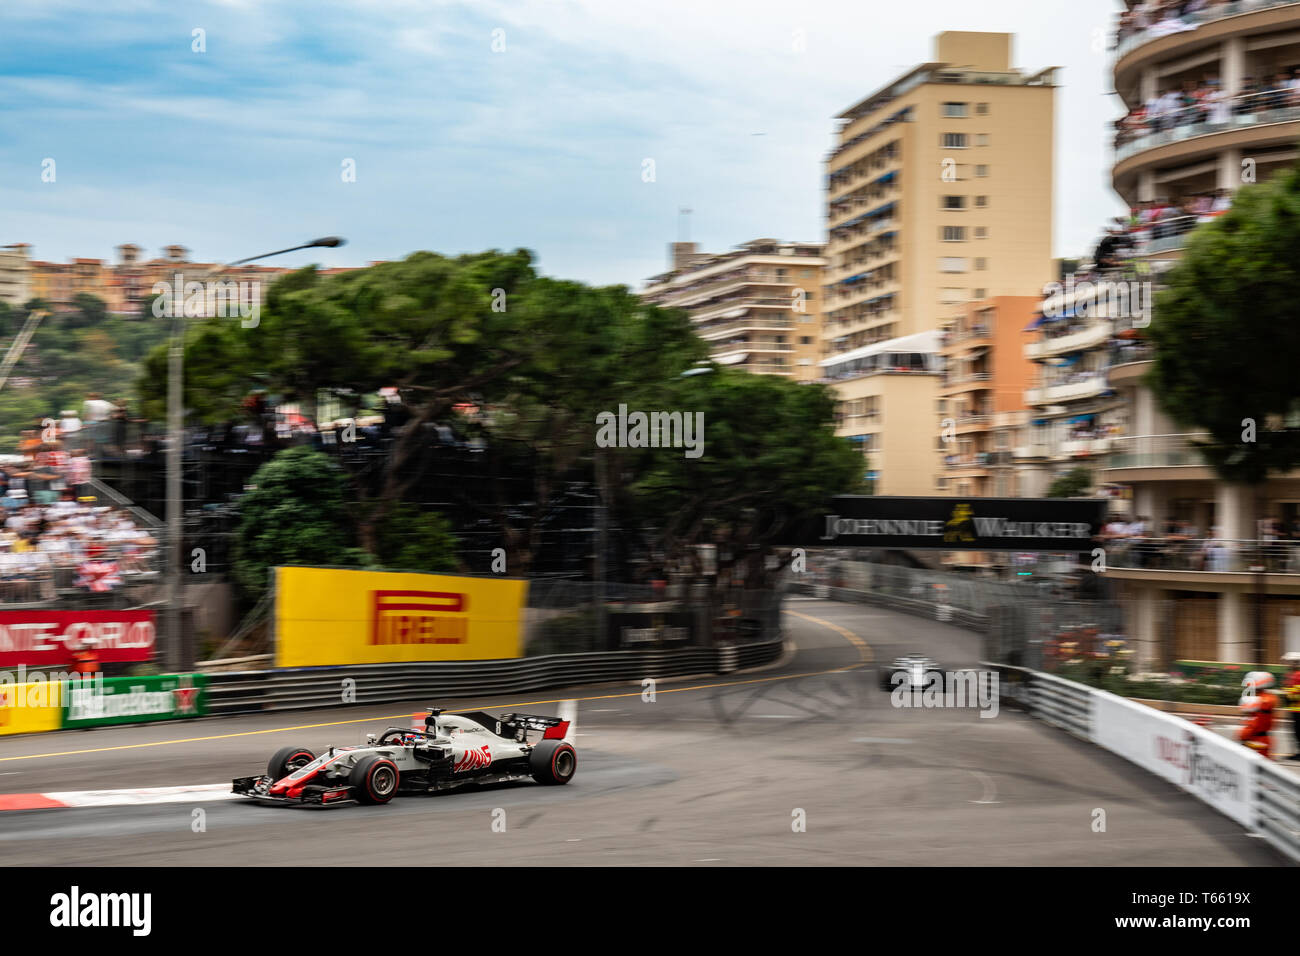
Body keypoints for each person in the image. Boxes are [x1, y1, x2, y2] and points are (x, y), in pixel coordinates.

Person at [1238, 671, 1278, 759]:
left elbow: (1254, 723)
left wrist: (1243, 735)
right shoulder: (1268, 698)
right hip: (1263, 738)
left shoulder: (1259, 701)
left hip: (1256, 739)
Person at [1283, 653, 1300, 761]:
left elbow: (1296, 692)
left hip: (1298, 709)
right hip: (1294, 708)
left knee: (1298, 732)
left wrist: (1287, 694)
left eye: (1291, 662)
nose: (1289, 665)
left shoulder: (1297, 675)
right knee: (1295, 732)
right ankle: (1297, 752)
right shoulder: (1291, 675)